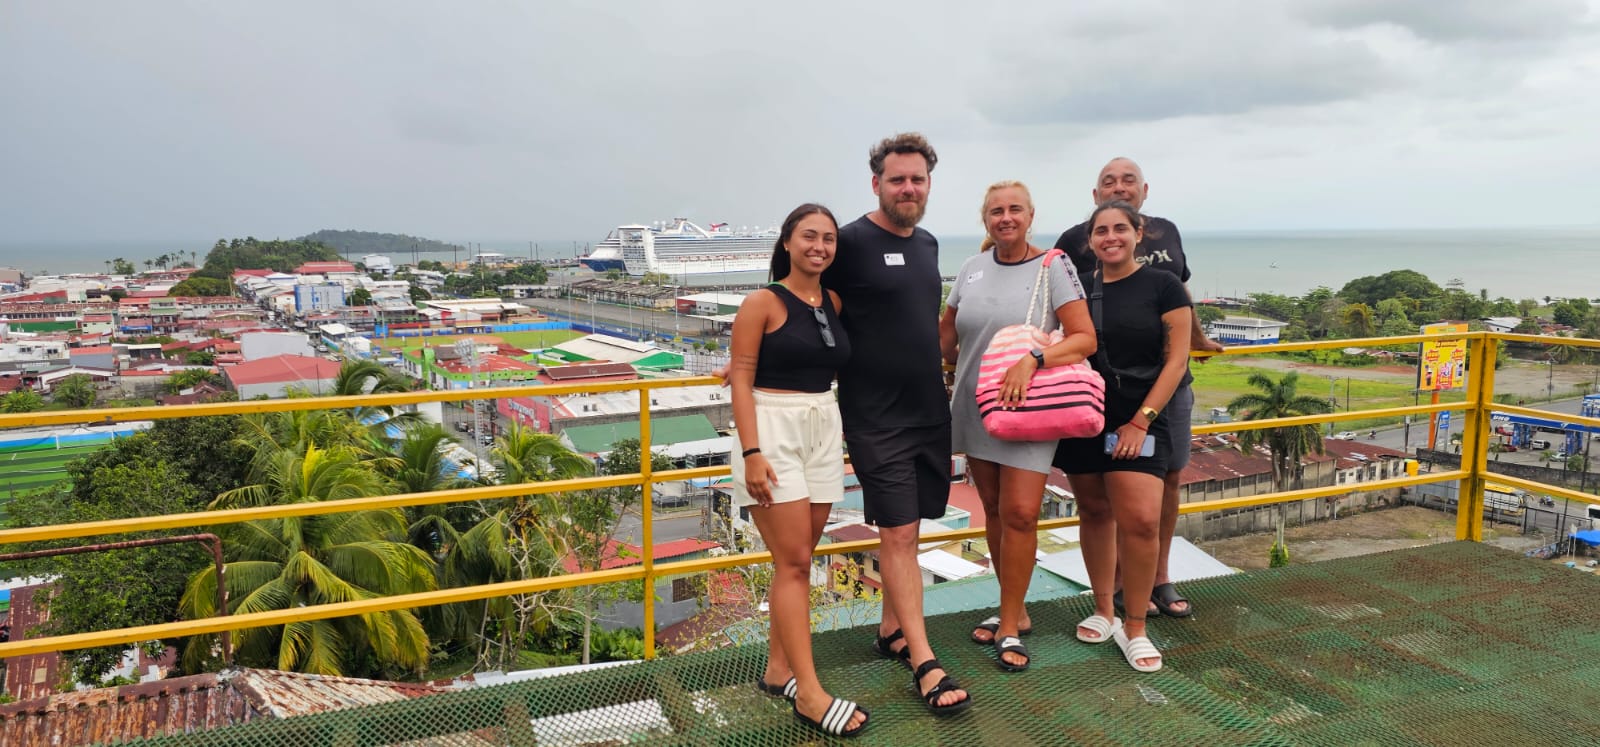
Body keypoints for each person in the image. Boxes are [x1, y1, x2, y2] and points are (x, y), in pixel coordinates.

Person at [823, 133, 971, 714]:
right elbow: (814, 310)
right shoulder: (851, 243)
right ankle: (925, 662)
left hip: (927, 410)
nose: (907, 188)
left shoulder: (930, 244)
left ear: (928, 184)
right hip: (874, 416)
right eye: (896, 179)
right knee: (900, 536)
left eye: (917, 179)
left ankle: (891, 630)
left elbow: (927, 323)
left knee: (917, 525)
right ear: (876, 183)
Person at [1053, 157, 1223, 619]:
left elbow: (1179, 299)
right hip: (1098, 397)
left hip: (1161, 392)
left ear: (1143, 196)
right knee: (1100, 500)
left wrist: (1199, 342)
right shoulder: (1071, 241)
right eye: (1108, 181)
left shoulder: (1167, 234)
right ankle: (1113, 593)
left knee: (1165, 482)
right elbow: (1057, 307)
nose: (1119, 187)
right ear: (1093, 202)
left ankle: (1157, 579)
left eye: (1128, 181)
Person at [939, 181, 1095, 672]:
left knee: (1023, 512)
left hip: (1029, 407)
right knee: (993, 509)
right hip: (975, 403)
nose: (1005, 218)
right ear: (985, 219)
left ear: (1030, 216)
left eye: (1014, 210)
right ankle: (1018, 610)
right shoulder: (971, 269)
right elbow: (947, 333)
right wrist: (946, 371)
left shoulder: (1053, 266)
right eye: (995, 211)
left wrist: (1034, 358)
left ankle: (1007, 624)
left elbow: (1085, 338)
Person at [729, 203, 868, 737]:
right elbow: (742, 378)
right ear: (786, 242)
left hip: (822, 425)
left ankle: (779, 669)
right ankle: (809, 694)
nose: (820, 246)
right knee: (792, 563)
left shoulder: (832, 300)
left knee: (800, 559)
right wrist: (751, 453)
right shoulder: (761, 301)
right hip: (773, 429)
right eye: (809, 236)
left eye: (829, 239)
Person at [1054, 200, 1193, 673]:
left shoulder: (1164, 285)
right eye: (1100, 231)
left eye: (1120, 229)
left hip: (1142, 417)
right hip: (1086, 415)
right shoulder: (1081, 290)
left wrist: (1141, 420)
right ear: (1089, 239)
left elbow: (1177, 360)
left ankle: (1136, 625)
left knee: (1139, 521)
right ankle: (1104, 609)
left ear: (1138, 233)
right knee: (1094, 511)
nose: (1110, 237)